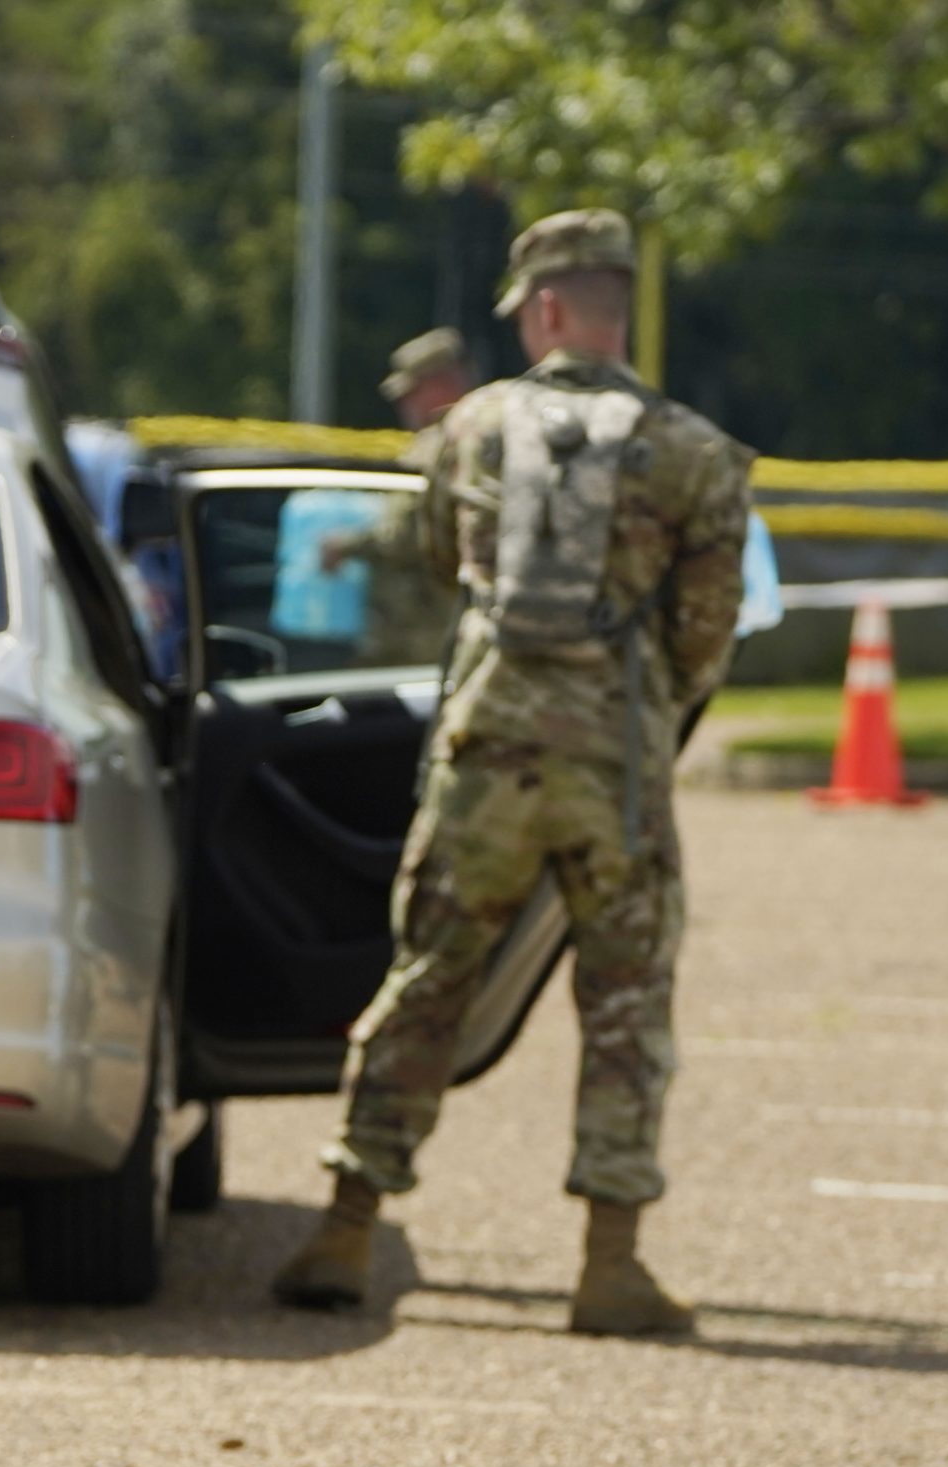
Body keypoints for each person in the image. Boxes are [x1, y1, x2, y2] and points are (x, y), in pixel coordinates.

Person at [268, 209, 751, 1336]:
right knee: (624, 1003)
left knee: (429, 978)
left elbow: (441, 558)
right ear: (614, 303)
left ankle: (345, 1228)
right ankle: (609, 1263)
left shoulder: (471, 428)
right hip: (615, 766)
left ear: (540, 309)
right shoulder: (692, 450)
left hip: (485, 751)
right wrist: (639, 703)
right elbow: (708, 631)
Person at [318, 327, 476, 666]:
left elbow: (403, 534)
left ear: (440, 385)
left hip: (416, 634)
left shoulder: (437, 447)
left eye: (412, 392)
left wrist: (345, 545)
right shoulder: (476, 439)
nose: (403, 404)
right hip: (443, 625)